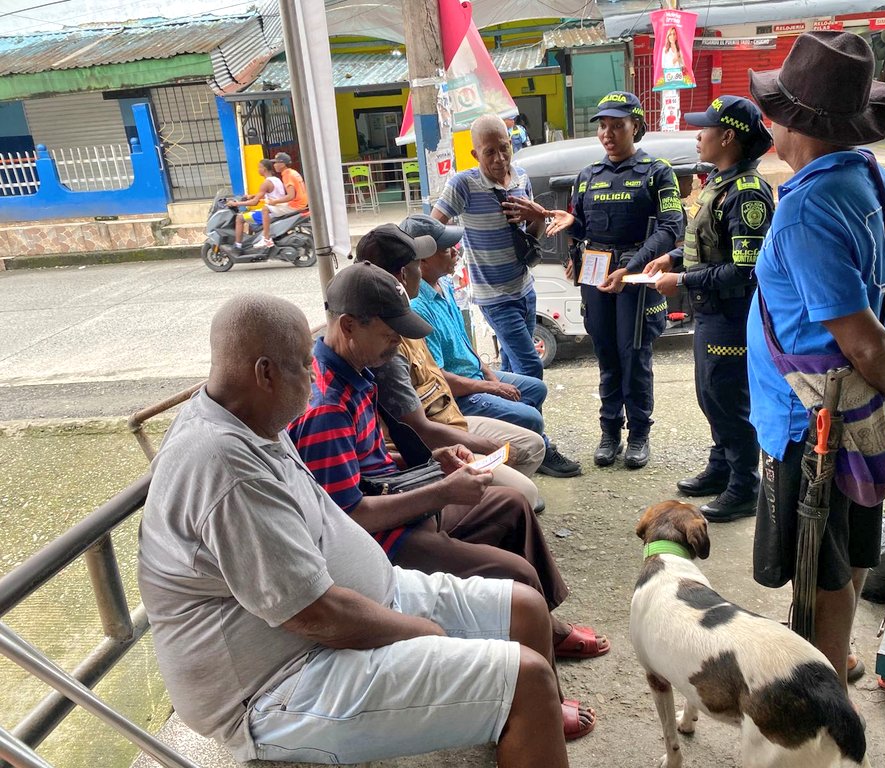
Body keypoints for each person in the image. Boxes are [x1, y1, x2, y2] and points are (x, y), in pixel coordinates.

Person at [137, 293, 572, 766]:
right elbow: (316, 615)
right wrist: (422, 632)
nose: (314, 376)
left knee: (526, 608)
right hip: (279, 682)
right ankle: (522, 712)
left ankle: (519, 725)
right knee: (527, 679)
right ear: (265, 374)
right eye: (305, 365)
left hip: (362, 603)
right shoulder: (225, 467)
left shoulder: (253, 416)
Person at [288, 262, 607, 735]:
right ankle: (540, 703)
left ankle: (544, 630)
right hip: (379, 544)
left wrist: (432, 461)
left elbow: (370, 466)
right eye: (389, 333)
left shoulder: (357, 371)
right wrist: (441, 490)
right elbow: (347, 517)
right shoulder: (327, 406)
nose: (397, 343)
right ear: (350, 326)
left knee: (512, 506)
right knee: (516, 575)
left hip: (397, 502)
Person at [746, 31, 885, 691]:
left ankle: (825, 696)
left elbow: (868, 344)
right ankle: (838, 651)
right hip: (865, 420)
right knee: (851, 545)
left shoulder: (806, 211)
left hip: (815, 431)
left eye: (774, 111)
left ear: (792, 124)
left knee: (821, 568)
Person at [506, 91, 684, 469]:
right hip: (597, 272)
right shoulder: (587, 176)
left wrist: (632, 267)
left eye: (617, 126)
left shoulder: (657, 172)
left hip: (637, 275)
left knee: (634, 356)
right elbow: (584, 228)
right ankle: (609, 433)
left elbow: (671, 228)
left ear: (636, 127)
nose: (607, 133)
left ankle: (639, 435)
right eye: (603, 126)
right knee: (605, 354)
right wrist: (572, 228)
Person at [645, 96, 775, 522]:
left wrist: (681, 282)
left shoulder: (748, 193)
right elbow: (708, 244)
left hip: (732, 316)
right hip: (711, 312)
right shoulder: (719, 182)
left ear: (729, 136)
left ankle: (744, 487)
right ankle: (721, 468)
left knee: (728, 398)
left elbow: (744, 269)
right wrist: (673, 259)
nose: (698, 136)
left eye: (705, 129)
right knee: (710, 394)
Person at [358, 220, 548, 509]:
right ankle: (487, 509)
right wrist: (489, 445)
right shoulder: (389, 339)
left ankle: (491, 505)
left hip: (451, 417)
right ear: (402, 275)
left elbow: (453, 356)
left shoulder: (415, 308)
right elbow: (420, 430)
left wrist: (489, 378)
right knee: (525, 492)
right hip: (435, 437)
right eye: (416, 262)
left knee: (532, 443)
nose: (421, 269)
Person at [407, 220, 581, 479]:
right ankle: (530, 452)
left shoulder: (445, 285)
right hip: (457, 395)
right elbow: (439, 379)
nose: (455, 252)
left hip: (473, 376)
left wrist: (490, 376)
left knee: (536, 388)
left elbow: (465, 343)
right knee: (531, 417)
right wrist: (490, 388)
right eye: (445, 249)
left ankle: (532, 446)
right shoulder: (419, 307)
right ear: (423, 261)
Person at [431, 114, 546, 380]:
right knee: (531, 367)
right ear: (475, 154)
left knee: (511, 366)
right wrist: (444, 256)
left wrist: (538, 218)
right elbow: (432, 226)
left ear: (511, 144)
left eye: (504, 148)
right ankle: (528, 409)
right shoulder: (463, 185)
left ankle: (503, 405)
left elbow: (531, 238)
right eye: (489, 152)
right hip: (494, 297)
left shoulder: (521, 178)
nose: (499, 158)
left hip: (525, 289)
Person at [225, 158, 287, 251]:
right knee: (250, 216)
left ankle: (237, 246)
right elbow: (270, 194)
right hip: (277, 210)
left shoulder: (266, 183)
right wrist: (252, 196)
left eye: (259, 167)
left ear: (264, 169)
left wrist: (236, 204)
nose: (258, 170)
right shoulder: (276, 180)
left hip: (271, 212)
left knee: (240, 218)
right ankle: (251, 244)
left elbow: (254, 202)